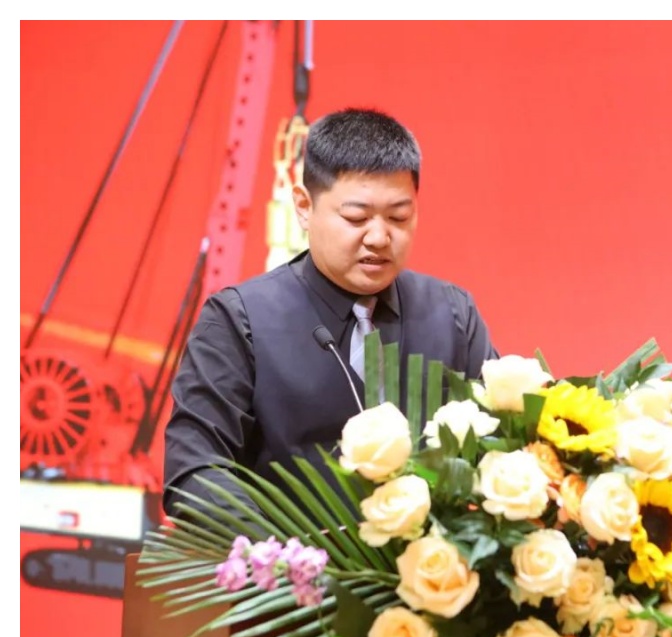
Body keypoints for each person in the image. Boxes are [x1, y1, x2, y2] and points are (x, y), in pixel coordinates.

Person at [163, 108, 497, 519]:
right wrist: (285, 549)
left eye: (399, 217)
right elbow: (195, 473)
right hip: (288, 557)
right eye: (356, 218)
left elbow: (506, 445)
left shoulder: (452, 314)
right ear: (304, 206)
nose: (379, 237)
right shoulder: (239, 321)